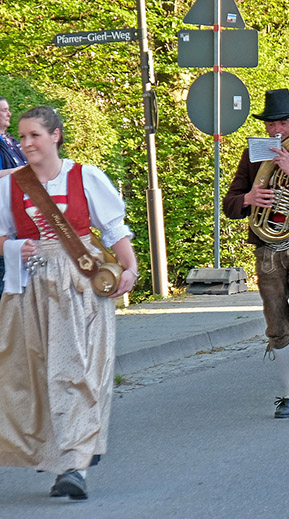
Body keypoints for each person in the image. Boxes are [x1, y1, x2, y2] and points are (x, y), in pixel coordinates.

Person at [0, 106, 138, 500]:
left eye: (34, 136)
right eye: (22, 137)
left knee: (78, 369)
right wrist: (12, 247)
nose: (26, 144)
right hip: (32, 288)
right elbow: (0, 235)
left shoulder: (85, 176)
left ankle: (75, 465)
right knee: (37, 376)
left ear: (56, 136)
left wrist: (129, 270)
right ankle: (62, 456)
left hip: (82, 283)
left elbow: (114, 229)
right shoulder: (9, 186)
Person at [223, 89, 289, 420]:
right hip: (268, 251)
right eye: (271, 124)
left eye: (283, 122)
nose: (277, 130)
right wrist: (248, 199)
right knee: (276, 325)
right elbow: (229, 205)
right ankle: (287, 393)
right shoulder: (252, 155)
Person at [0, 96, 28, 282]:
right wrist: (18, 171)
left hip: (20, 209)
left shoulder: (12, 141)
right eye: (3, 110)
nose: (9, 113)